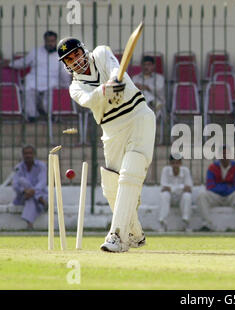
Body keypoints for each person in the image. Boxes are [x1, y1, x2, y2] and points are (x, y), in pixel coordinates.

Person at [57, 37, 156, 252]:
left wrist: (113, 81)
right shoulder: (75, 87)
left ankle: (116, 237)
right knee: (111, 187)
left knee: (130, 174)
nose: (75, 61)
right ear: (65, 65)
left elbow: (115, 69)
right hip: (111, 130)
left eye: (76, 54)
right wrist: (105, 91)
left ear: (84, 50)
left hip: (138, 115)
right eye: (69, 59)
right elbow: (88, 100)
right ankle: (135, 233)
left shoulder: (101, 53)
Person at [10, 31, 71, 122]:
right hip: (34, 79)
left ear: (56, 41)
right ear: (45, 41)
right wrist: (10, 64)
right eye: (48, 41)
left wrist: (66, 86)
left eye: (52, 41)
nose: (50, 44)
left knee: (52, 94)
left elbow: (64, 72)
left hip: (52, 81)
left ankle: (50, 115)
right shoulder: (36, 51)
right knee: (28, 89)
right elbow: (23, 62)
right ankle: (32, 116)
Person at [197, 145, 235, 231]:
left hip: (231, 196)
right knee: (202, 196)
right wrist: (226, 187)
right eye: (223, 154)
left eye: (227, 154)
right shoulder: (212, 167)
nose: (225, 157)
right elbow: (210, 186)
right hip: (217, 197)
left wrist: (220, 186)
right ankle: (207, 225)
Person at [12, 145, 47, 230]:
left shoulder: (41, 166)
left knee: (30, 199)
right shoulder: (18, 167)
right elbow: (15, 185)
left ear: (34, 154)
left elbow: (42, 182)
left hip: (33, 194)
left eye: (30, 153)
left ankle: (29, 223)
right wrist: (25, 191)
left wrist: (32, 191)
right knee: (22, 181)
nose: (28, 155)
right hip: (23, 196)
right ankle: (40, 199)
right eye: (26, 153)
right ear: (23, 155)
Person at [159, 154, 193, 232]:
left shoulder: (185, 171)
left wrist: (171, 188)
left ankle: (186, 223)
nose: (175, 165)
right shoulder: (165, 170)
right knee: (165, 195)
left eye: (177, 163)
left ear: (181, 163)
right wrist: (181, 188)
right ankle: (163, 223)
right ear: (170, 163)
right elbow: (163, 188)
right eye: (173, 163)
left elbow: (189, 188)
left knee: (187, 196)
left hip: (181, 198)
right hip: (170, 198)